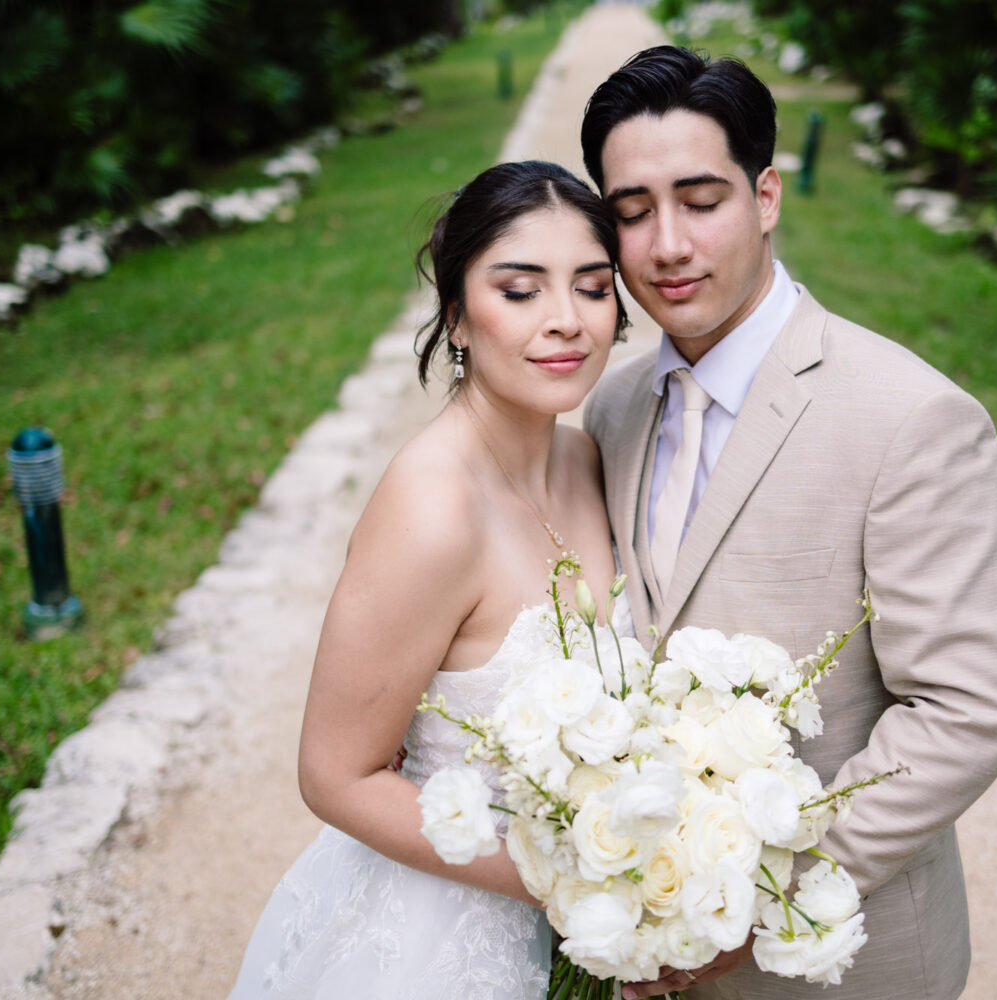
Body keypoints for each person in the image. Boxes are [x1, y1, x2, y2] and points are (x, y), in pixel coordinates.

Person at [579, 47, 997, 1000]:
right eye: (632, 213)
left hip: (839, 962)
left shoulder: (911, 417)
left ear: (767, 195)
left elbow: (968, 709)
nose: (666, 245)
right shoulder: (614, 410)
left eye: (701, 201)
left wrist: (755, 906)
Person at [227, 160, 627, 1000]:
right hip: (446, 931)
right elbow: (335, 775)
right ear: (456, 318)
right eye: (520, 291)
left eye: (593, 288)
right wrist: (575, 879)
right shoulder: (431, 507)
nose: (566, 321)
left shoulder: (586, 457)